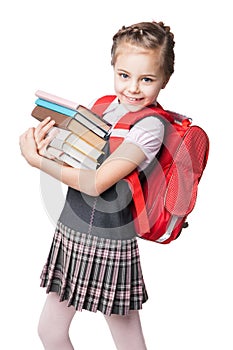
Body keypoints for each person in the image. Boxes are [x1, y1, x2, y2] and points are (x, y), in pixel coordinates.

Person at [20, 20, 175, 350]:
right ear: (114, 68)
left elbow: (95, 183)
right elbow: (79, 163)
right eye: (124, 75)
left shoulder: (150, 126)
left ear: (165, 79)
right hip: (72, 231)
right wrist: (49, 146)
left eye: (146, 79)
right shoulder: (105, 107)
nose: (132, 88)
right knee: (50, 330)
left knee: (128, 339)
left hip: (109, 242)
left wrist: (37, 161)